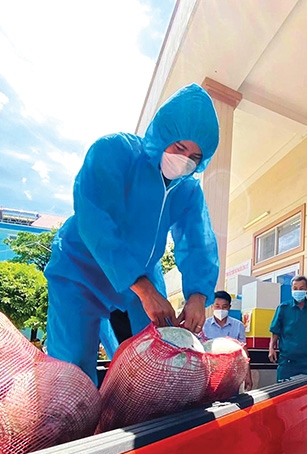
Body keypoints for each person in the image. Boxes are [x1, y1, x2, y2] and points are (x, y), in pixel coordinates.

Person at [44, 84, 220, 385]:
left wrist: (198, 296)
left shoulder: (188, 190)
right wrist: (145, 291)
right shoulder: (115, 151)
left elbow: (198, 243)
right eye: (179, 147)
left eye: (194, 156)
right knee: (73, 366)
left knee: (160, 352)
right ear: (163, 133)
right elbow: (95, 222)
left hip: (144, 270)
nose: (184, 160)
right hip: (81, 266)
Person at [268, 276, 307, 381]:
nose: (298, 291)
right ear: (291, 289)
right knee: (285, 390)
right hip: (288, 361)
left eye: (301, 288)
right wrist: (271, 348)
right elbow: (275, 331)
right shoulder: (283, 308)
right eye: (295, 288)